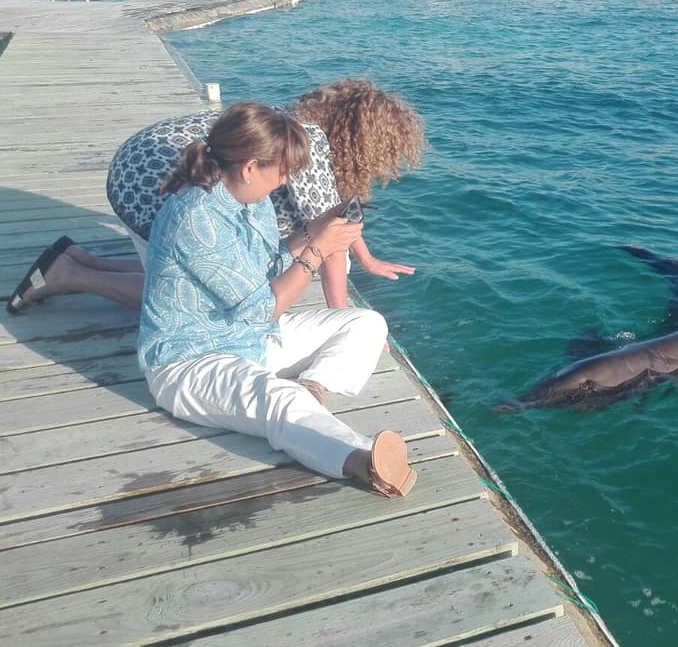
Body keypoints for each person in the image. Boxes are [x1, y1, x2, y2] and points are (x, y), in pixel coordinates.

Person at [136, 102, 415, 497]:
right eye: (282, 170)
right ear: (250, 167)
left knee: (366, 322)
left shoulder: (248, 199)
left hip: (250, 338)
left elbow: (265, 268)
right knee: (276, 398)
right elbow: (265, 306)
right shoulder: (196, 217)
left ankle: (314, 387)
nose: (285, 181)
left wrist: (312, 231)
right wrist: (317, 251)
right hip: (189, 360)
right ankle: (361, 460)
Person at [6, 79, 424, 314]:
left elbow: (334, 210)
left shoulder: (291, 123)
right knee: (196, 300)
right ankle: (70, 276)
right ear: (364, 142)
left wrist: (366, 258)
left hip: (136, 165)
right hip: (150, 188)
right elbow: (329, 238)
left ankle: (80, 259)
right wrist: (342, 316)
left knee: (200, 261)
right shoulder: (309, 146)